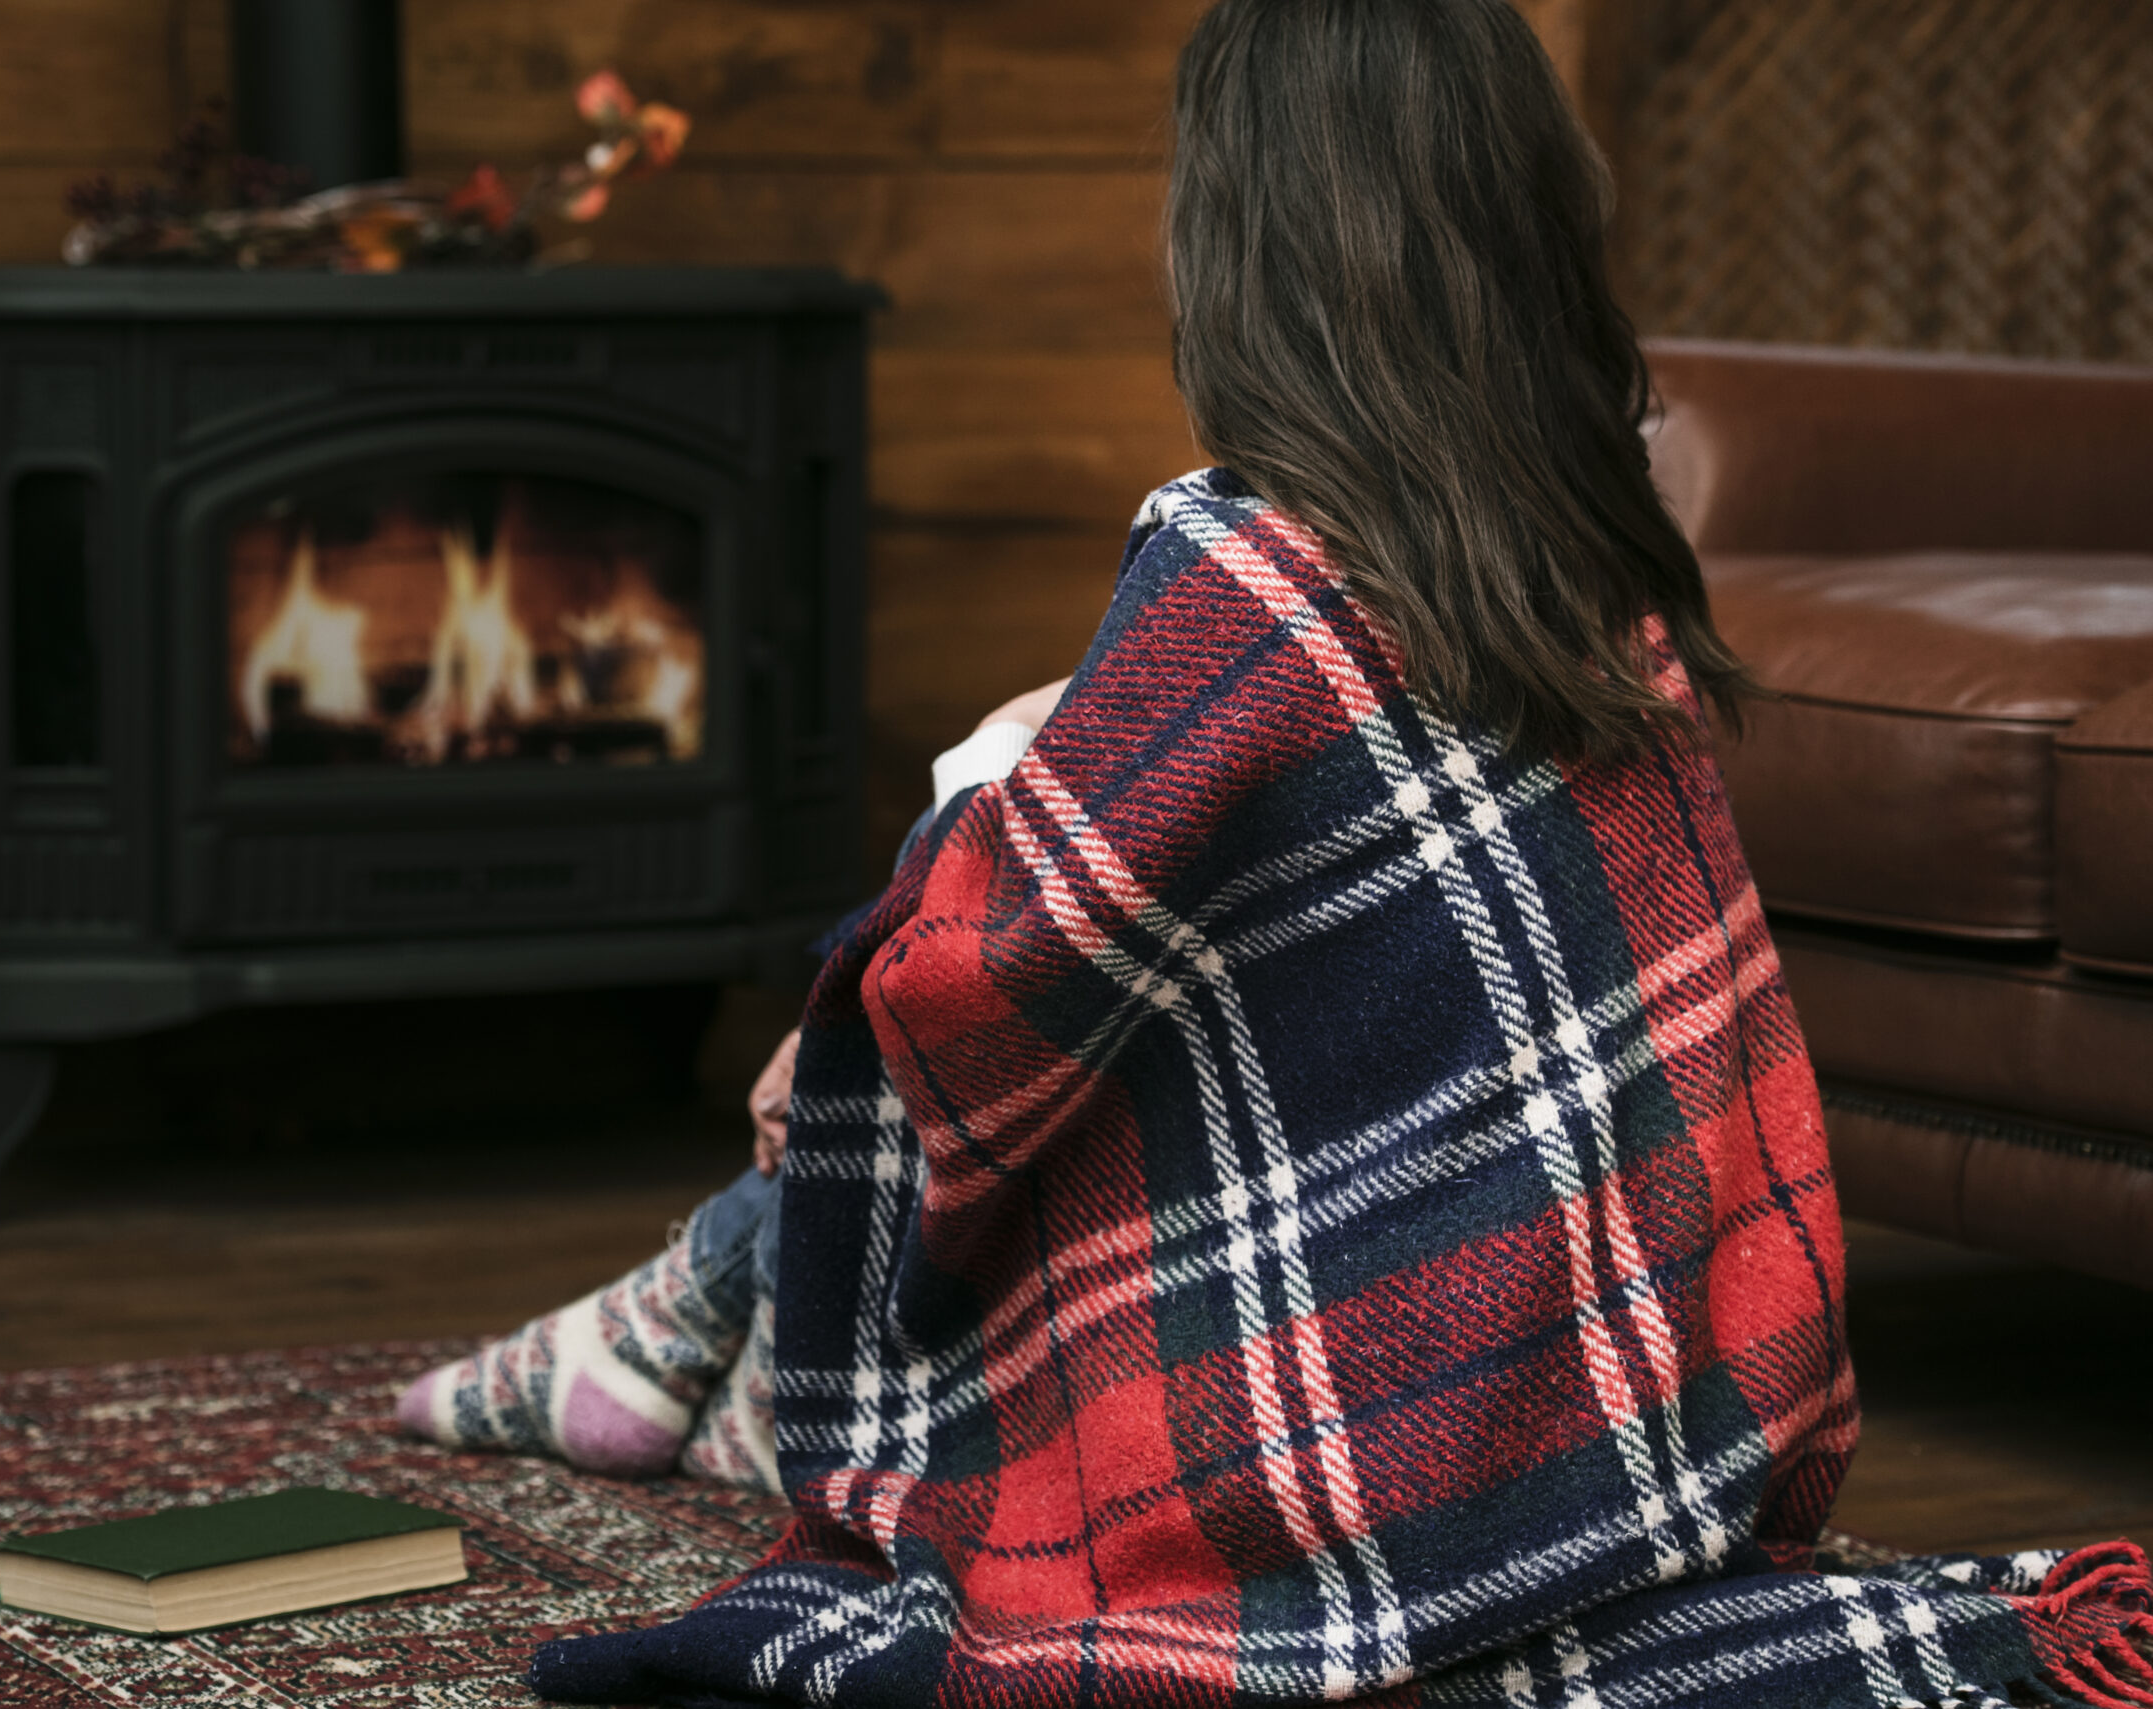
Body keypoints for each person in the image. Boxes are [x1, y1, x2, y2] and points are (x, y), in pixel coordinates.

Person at [414, 2, 2153, 1705]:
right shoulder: (1587, 561)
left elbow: (979, 987)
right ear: (1527, 213)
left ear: (1234, 237)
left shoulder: (1239, 569)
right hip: (1638, 1431)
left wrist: (935, 862)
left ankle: (694, 1306)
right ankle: (686, 1315)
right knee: (1094, 895)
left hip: (1317, 1462)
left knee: (926, 973)